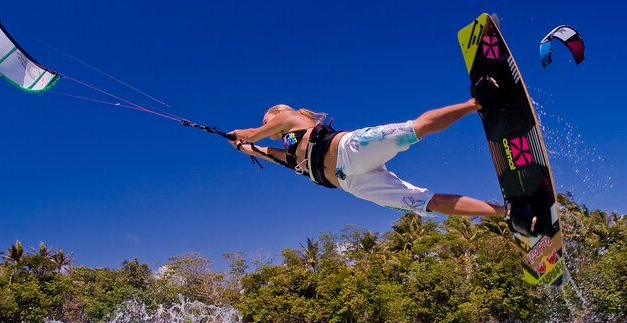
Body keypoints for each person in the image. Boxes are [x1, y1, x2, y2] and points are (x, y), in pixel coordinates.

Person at [227, 86, 538, 233]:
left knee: (413, 130)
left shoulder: (287, 118)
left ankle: (477, 102)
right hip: (354, 183)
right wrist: (243, 148)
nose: (267, 121)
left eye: (268, 117)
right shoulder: (289, 152)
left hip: (350, 148)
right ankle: (508, 212)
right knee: (423, 202)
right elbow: (263, 151)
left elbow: (254, 134)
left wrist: (241, 134)